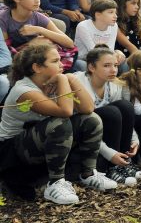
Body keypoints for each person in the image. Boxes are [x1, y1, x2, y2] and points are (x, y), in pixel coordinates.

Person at [0, 44, 115, 204]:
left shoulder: (56, 82)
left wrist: (71, 79)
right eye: (55, 61)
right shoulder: (24, 90)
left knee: (91, 119)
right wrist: (63, 78)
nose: (62, 64)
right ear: (37, 67)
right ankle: (55, 183)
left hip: (38, 141)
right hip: (13, 151)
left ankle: (88, 174)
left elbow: (88, 108)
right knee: (60, 123)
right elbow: (65, 112)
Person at [77, 46, 141, 186]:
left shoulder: (113, 86)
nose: (114, 70)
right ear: (91, 67)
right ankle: (108, 168)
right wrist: (109, 153)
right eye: (107, 65)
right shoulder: (79, 83)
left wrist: (134, 139)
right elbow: (85, 125)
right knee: (111, 112)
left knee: (125, 106)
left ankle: (123, 163)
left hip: (105, 131)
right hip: (83, 132)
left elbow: (125, 116)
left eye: (115, 65)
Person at [0, 0, 75, 57]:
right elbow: (5, 53)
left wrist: (40, 30)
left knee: (45, 42)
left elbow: (70, 43)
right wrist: (30, 44)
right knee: (42, 42)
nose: (37, 0)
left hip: (33, 58)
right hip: (12, 60)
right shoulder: (3, 19)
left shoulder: (38, 17)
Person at [74, 0, 125, 65]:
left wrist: (118, 53)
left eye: (115, 13)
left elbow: (110, 48)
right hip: (85, 60)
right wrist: (113, 55)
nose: (115, 16)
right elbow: (92, 51)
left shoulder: (114, 26)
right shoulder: (83, 26)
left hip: (105, 58)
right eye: (111, 12)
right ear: (98, 15)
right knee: (83, 65)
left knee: (124, 61)